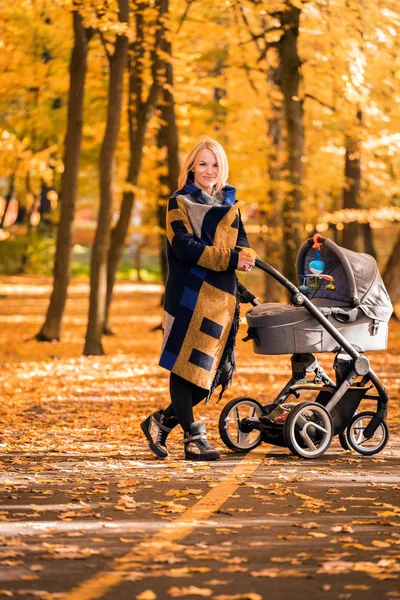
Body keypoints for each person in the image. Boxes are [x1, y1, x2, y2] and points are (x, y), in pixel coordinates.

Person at [141, 137, 255, 460]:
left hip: (221, 302)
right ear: (192, 166)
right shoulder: (178, 203)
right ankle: (193, 439)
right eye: (203, 163)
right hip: (189, 297)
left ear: (223, 169)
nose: (209, 170)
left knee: (207, 377)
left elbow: (242, 244)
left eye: (215, 164)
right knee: (183, 369)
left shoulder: (230, 206)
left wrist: (245, 255)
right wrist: (233, 259)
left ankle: (161, 422)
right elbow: (184, 247)